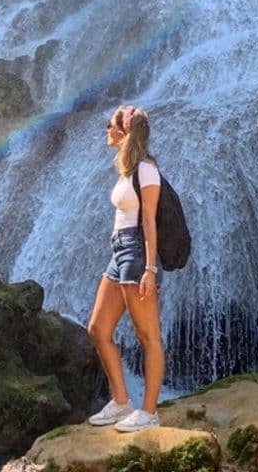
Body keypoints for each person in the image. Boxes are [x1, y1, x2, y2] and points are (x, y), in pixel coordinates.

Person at [86, 104, 164, 433]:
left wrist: (150, 269)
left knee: (148, 336)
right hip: (117, 252)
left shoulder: (146, 170)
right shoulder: (128, 170)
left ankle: (149, 412)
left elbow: (149, 221)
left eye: (111, 124)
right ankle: (121, 401)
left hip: (135, 252)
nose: (107, 129)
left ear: (125, 131)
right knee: (98, 329)